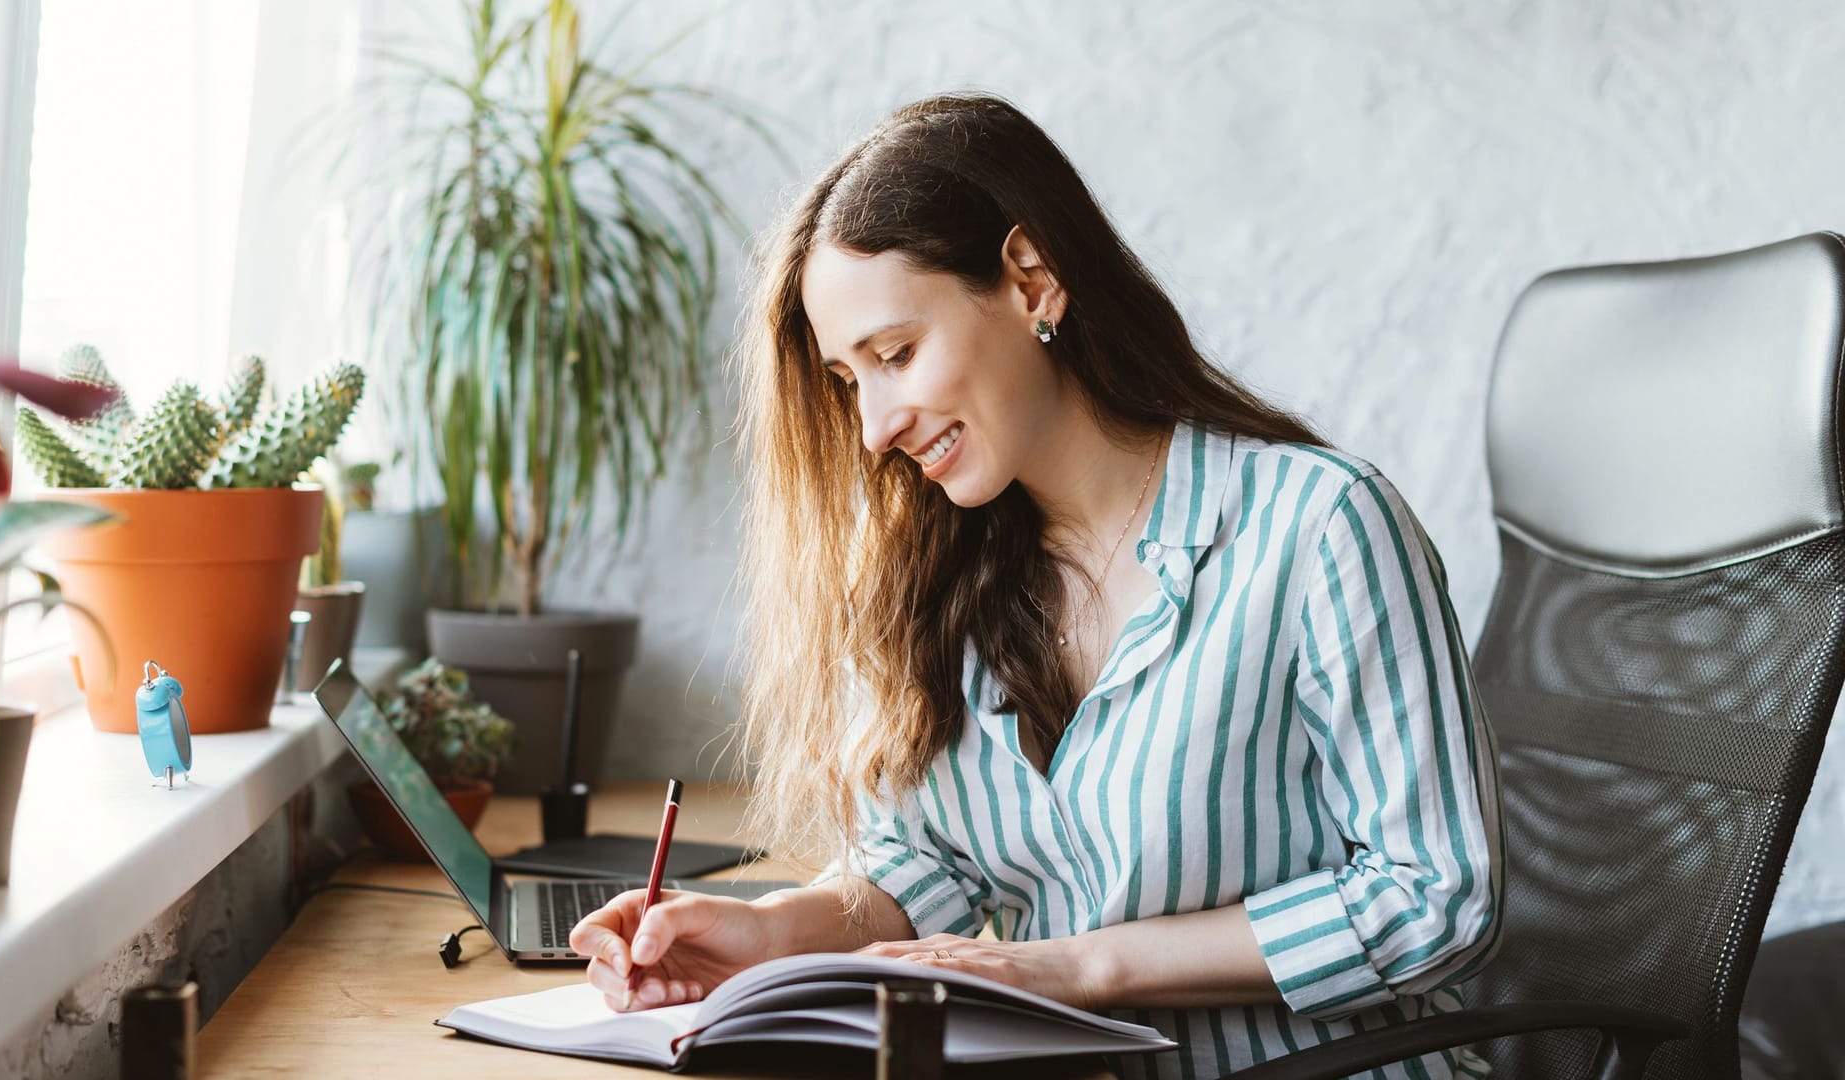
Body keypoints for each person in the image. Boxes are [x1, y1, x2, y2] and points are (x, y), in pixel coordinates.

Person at [571, 91, 1505, 1079]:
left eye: (896, 355)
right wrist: (770, 932)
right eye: (852, 381)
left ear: (1030, 281)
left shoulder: (1318, 527)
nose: (875, 426)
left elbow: (1437, 896)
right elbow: (931, 864)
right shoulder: (949, 569)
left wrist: (1082, 966)